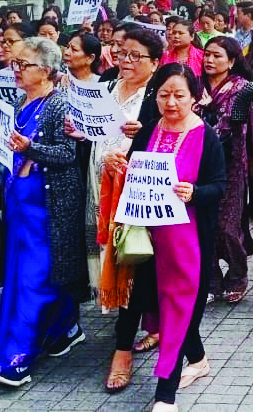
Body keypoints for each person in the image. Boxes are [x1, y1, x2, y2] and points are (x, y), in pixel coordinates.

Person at [106, 64, 226, 412]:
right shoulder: (148, 131)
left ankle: (165, 394)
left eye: (179, 95)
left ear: (194, 97)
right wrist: (119, 166)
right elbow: (134, 170)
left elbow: (219, 186)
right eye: (164, 94)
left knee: (178, 308)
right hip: (146, 239)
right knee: (159, 306)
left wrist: (195, 192)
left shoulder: (206, 136)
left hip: (188, 241)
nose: (171, 102)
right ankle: (199, 360)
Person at [0, 38, 88, 387]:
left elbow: (67, 154)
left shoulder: (60, 104)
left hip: (49, 206)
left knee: (36, 279)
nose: (15, 70)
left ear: (46, 70)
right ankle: (64, 328)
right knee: (21, 275)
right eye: (14, 63)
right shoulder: (19, 101)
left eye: (23, 65)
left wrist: (31, 147)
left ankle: (17, 357)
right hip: (20, 203)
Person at [94, 27, 163, 388]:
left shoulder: (158, 95)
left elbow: (169, 138)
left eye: (136, 56)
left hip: (134, 194)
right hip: (101, 187)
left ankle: (123, 349)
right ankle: (150, 326)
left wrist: (147, 132)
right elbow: (96, 132)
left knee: (132, 264)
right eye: (122, 53)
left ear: (154, 62)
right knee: (113, 258)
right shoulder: (107, 87)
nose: (127, 61)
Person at [195, 37, 253, 304]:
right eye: (207, 55)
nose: (210, 60)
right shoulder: (194, 86)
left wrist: (205, 111)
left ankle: (237, 275)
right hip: (197, 163)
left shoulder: (242, 89)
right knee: (202, 225)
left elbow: (232, 124)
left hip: (231, 164)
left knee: (226, 226)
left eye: (217, 56)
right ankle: (211, 280)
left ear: (231, 61)